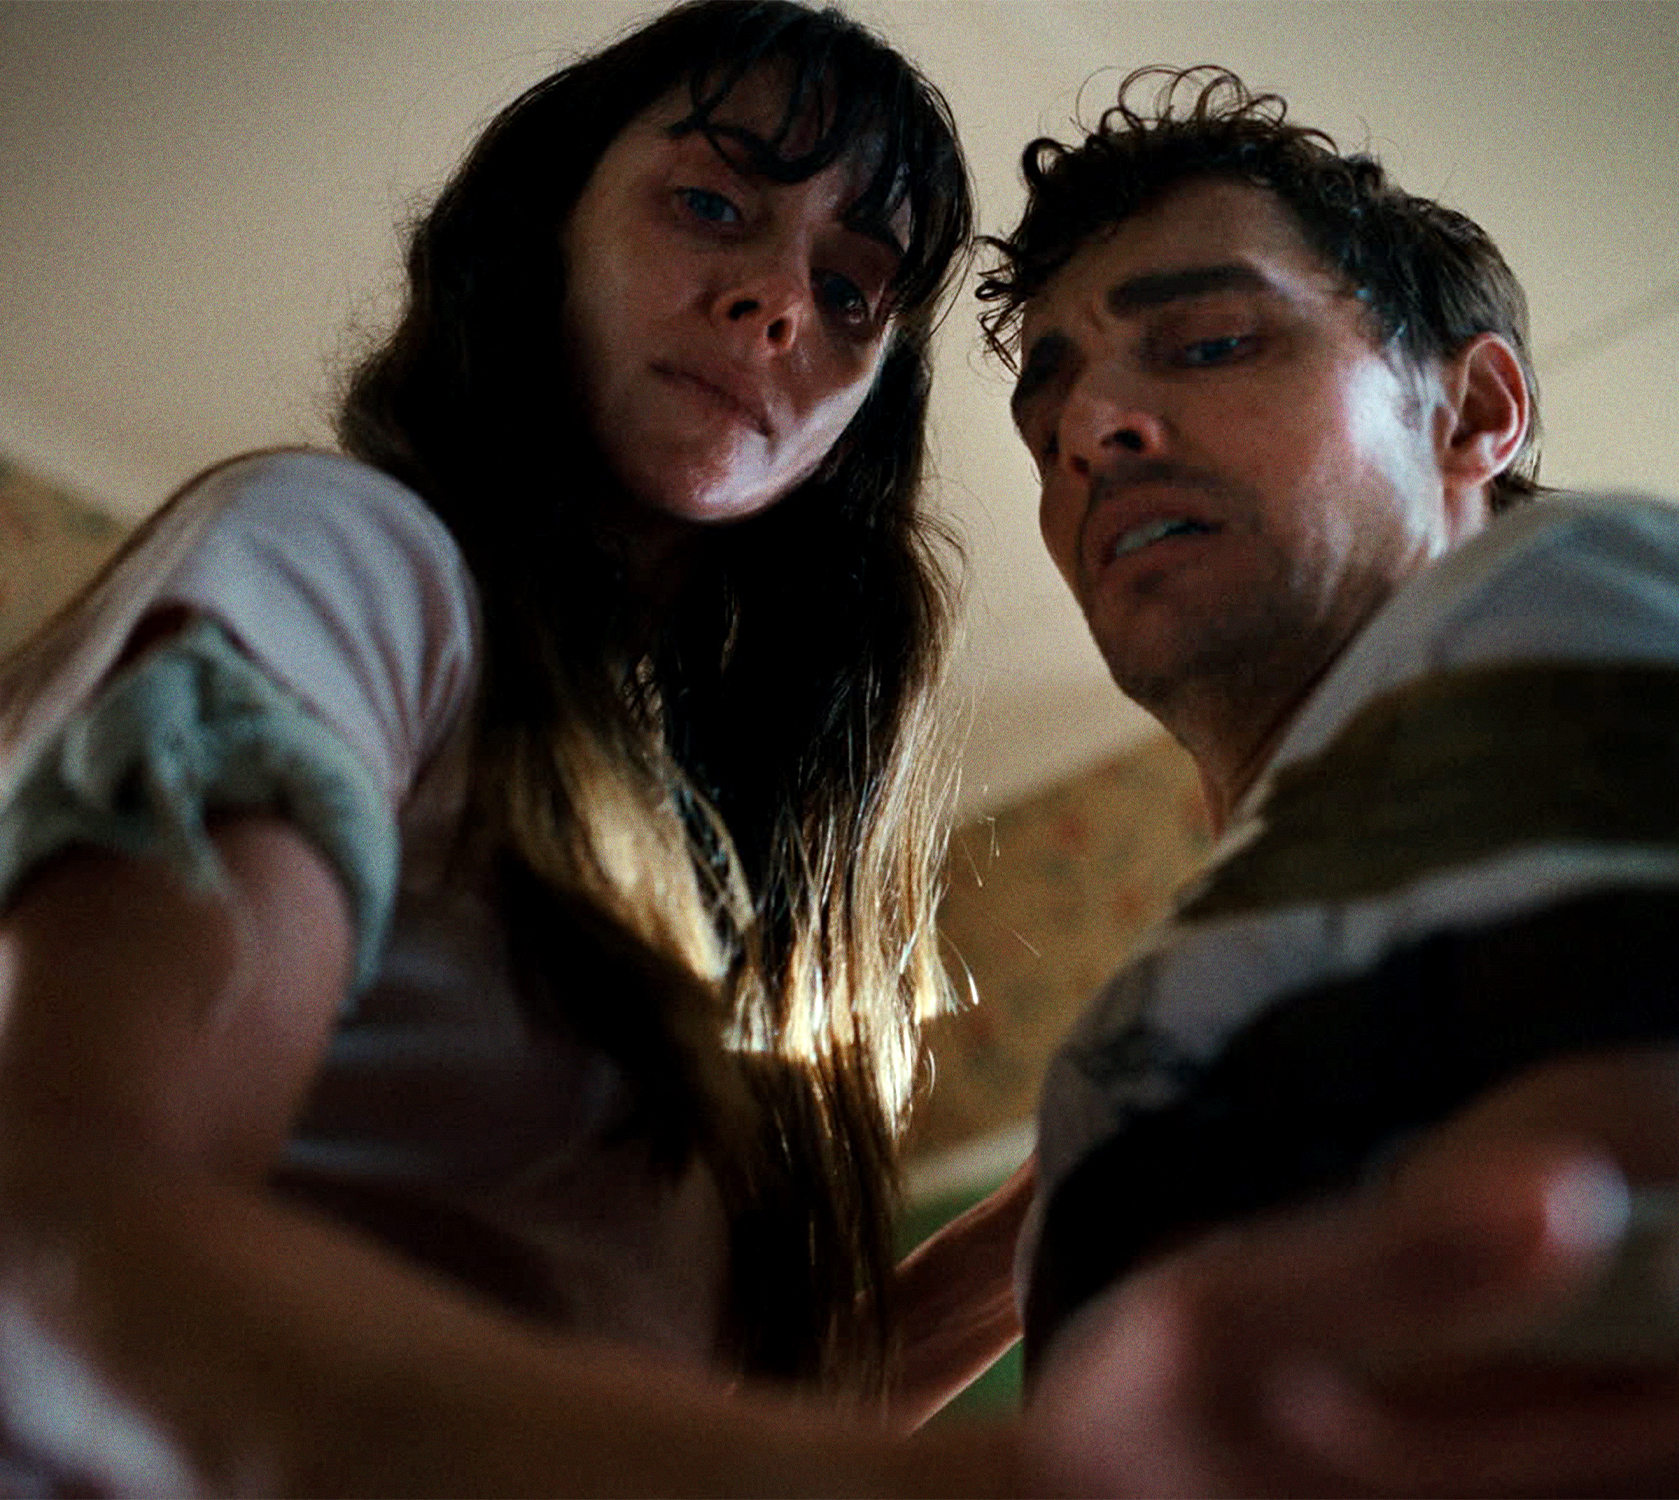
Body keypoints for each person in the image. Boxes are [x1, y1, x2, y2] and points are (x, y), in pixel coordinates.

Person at [0, 2, 1034, 1489]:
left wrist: (1044, 1225)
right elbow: (64, 1225)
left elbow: (679, 1410)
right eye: (711, 205)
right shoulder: (349, 556)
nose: (776, 303)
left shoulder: (692, 850)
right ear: (544, 226)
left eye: (851, 289)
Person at [974, 63, 1679, 1477]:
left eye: (1208, 344)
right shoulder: (1238, 944)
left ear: (1472, 415)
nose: (1093, 431)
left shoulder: (1569, 590)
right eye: (1048, 426)